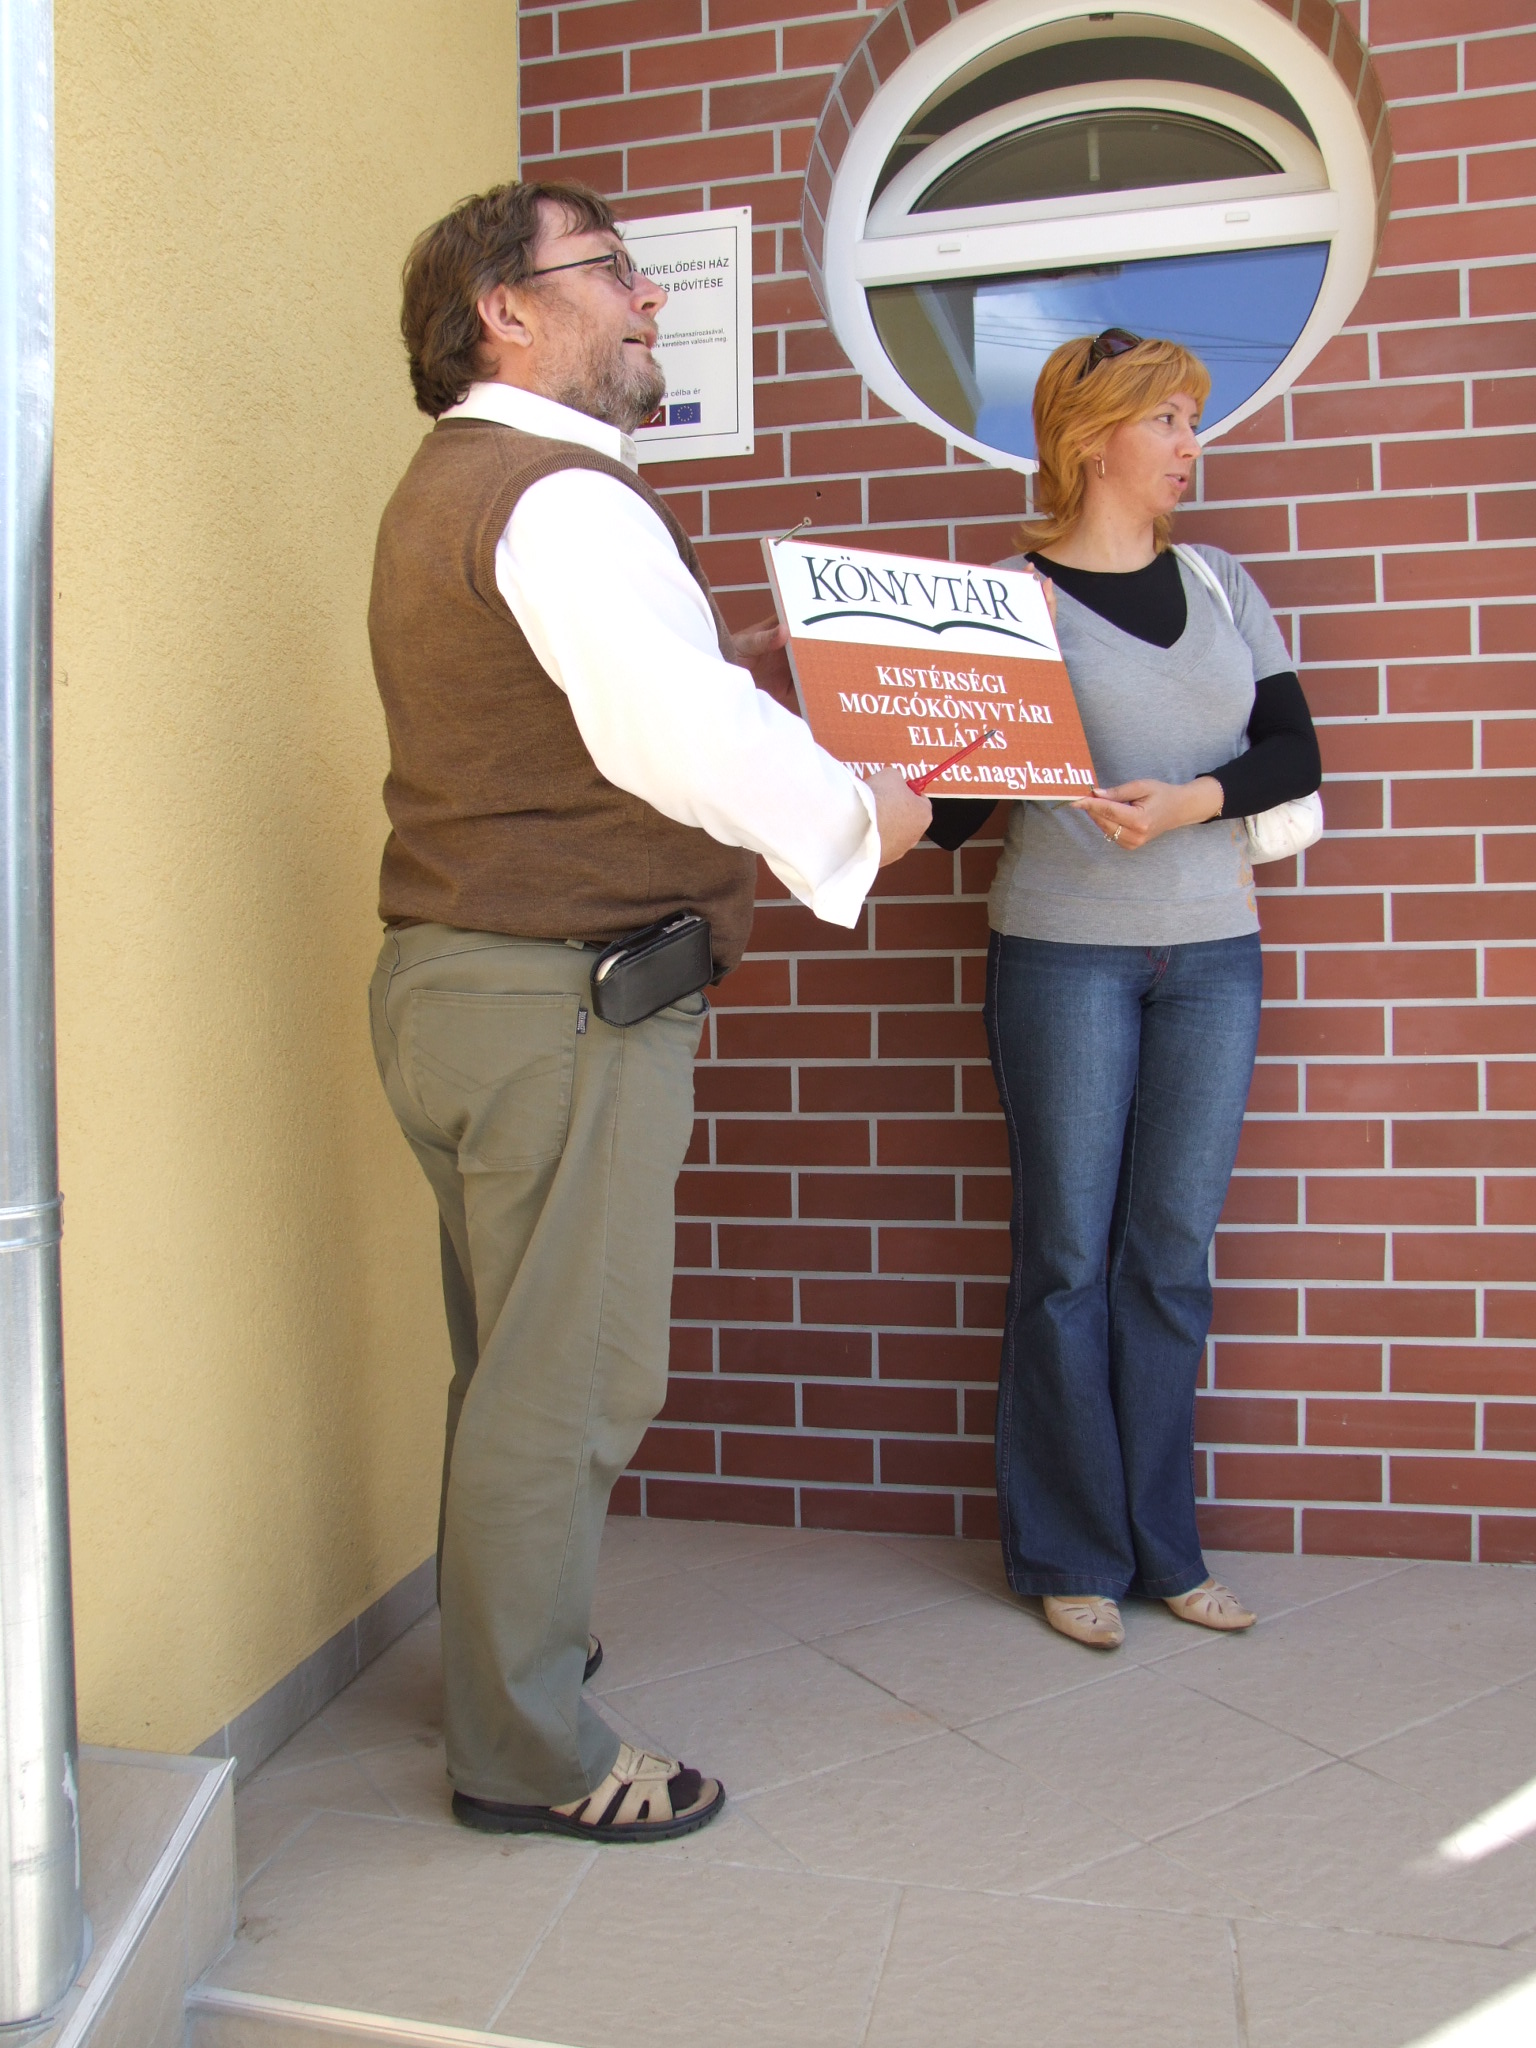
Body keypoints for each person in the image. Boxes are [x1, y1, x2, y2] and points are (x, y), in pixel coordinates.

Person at [366, 181, 931, 1838]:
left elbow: (610, 705)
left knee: (513, 1370)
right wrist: (858, 817)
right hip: (562, 1004)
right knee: (572, 1384)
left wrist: (723, 679)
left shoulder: (459, 484)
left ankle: (507, 1665)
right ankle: (532, 1752)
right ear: (505, 311)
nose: (649, 300)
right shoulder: (556, 493)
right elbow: (669, 731)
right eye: (611, 271)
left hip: (466, 989)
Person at [929, 329, 1320, 1651]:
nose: (1191, 444)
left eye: (1192, 418)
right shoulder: (1006, 598)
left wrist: (1193, 801)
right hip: (1063, 955)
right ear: (1094, 437)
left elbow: (1294, 750)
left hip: (1214, 956)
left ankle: (1167, 1551)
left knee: (1168, 1259)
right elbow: (954, 817)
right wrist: (950, 728)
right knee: (1066, 1260)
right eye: (1170, 418)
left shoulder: (1220, 583)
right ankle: (1069, 1551)